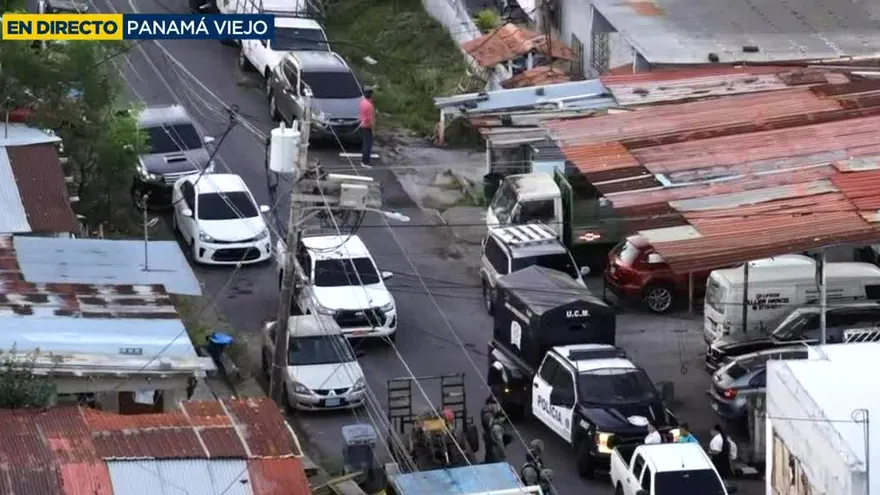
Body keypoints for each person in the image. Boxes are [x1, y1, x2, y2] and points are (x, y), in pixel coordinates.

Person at [359, 87, 375, 169]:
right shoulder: (369, 105)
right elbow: (369, 118)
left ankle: (365, 160)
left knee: (366, 144)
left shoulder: (363, 102)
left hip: (363, 125)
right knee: (368, 145)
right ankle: (365, 162)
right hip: (367, 127)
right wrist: (372, 126)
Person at [480, 396, 498, 462]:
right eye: (494, 404)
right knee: (490, 453)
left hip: (487, 434)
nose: (495, 406)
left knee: (489, 452)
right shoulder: (488, 414)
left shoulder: (486, 411)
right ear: (489, 404)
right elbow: (491, 426)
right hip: (489, 436)